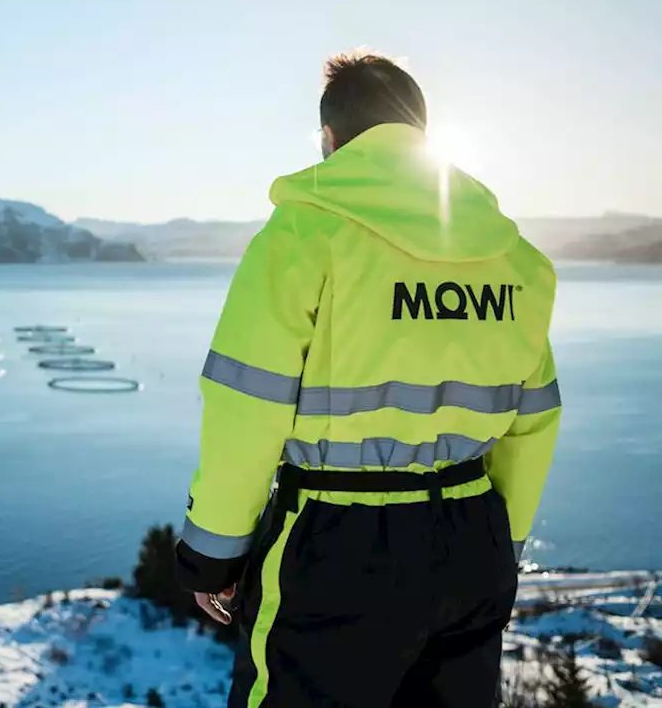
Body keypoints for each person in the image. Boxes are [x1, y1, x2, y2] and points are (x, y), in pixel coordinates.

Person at [174, 51, 561, 707]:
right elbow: (534, 422)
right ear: (424, 134)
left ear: (329, 140)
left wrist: (213, 554)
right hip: (473, 540)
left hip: (335, 544)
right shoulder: (513, 257)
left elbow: (248, 405)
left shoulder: (303, 234)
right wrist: (505, 540)